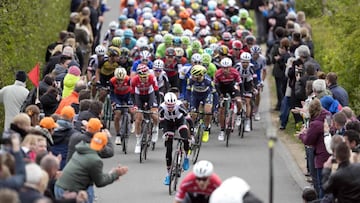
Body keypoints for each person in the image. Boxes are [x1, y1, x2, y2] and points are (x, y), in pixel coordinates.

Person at [55, 132, 128, 203]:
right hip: (69, 192)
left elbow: (96, 175)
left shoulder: (81, 150)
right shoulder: (95, 160)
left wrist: (112, 174)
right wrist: (115, 174)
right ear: (103, 146)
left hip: (60, 187)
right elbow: (100, 182)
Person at [297, 98, 331, 198]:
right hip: (330, 152)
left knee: (321, 184)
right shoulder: (327, 116)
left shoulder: (315, 124)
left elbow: (309, 141)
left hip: (321, 155)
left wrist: (302, 135)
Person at [160, 92, 193, 185]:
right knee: (169, 149)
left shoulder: (180, 106)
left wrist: (193, 134)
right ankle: (168, 174)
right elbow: (162, 123)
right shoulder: (162, 108)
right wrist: (164, 133)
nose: (170, 108)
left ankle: (186, 157)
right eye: (168, 106)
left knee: (185, 139)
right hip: (168, 123)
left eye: (172, 106)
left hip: (180, 121)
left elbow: (190, 121)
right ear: (165, 104)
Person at [131, 64, 159, 153]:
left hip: (150, 95)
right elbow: (132, 94)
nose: (145, 79)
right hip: (138, 96)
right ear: (139, 76)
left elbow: (157, 92)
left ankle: (155, 128)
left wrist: (156, 105)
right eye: (143, 77)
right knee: (138, 119)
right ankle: (138, 142)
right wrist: (135, 105)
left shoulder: (151, 78)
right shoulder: (134, 80)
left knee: (154, 115)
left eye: (146, 76)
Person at [214, 58, 242, 140]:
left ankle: (239, 113)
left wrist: (241, 94)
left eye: (227, 68)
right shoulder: (218, 73)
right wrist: (220, 94)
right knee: (221, 111)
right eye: (223, 68)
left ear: (230, 67)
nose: (225, 70)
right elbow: (216, 85)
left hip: (232, 87)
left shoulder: (234, 72)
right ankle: (222, 131)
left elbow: (240, 84)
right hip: (222, 88)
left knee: (238, 100)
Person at [110, 67, 133, 145]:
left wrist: (132, 102)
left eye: (121, 80)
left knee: (131, 110)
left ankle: (132, 122)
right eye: (118, 80)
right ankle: (118, 135)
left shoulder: (129, 80)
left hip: (127, 95)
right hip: (117, 96)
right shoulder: (112, 81)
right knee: (117, 114)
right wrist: (113, 102)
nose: (120, 82)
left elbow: (133, 91)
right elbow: (111, 93)